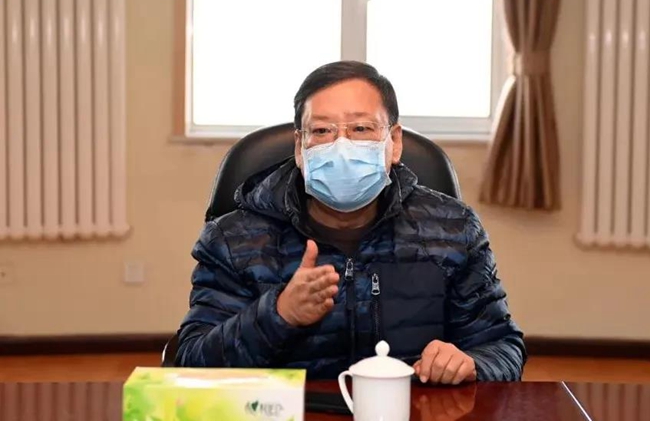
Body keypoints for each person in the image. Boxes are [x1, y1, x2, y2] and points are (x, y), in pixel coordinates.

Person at [175, 61, 526, 383]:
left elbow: (502, 347)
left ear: (395, 142)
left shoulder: (452, 230)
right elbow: (191, 363)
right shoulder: (234, 239)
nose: (341, 146)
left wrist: (471, 364)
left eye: (361, 128)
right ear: (299, 147)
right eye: (322, 131)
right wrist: (278, 314)